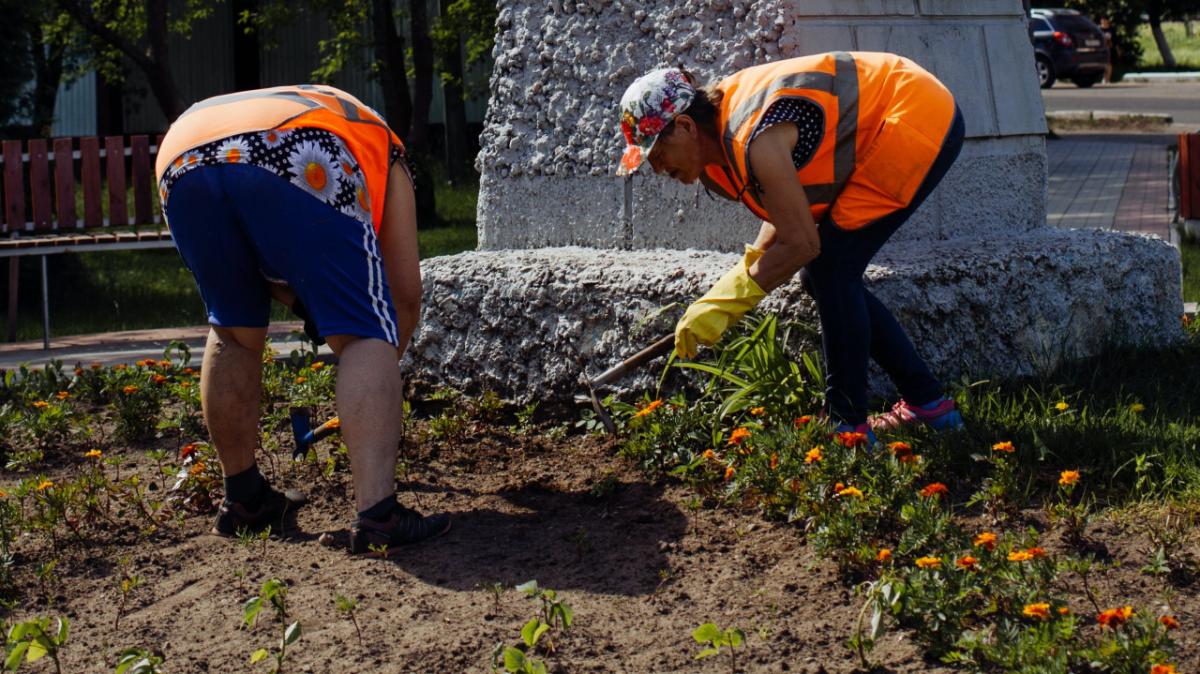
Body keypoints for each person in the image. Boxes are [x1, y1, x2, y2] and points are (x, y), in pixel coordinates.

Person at [155, 84, 450, 554]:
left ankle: (245, 499)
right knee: (365, 331)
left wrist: (307, 303)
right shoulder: (388, 148)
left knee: (232, 330)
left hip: (182, 151)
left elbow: (266, 266)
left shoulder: (330, 109)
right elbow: (404, 295)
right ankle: (379, 516)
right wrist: (369, 364)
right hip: (297, 144)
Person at [616, 52, 966, 442]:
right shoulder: (719, 150)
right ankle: (927, 404)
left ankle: (846, 425)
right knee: (824, 276)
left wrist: (731, 302)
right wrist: (736, 280)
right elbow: (784, 217)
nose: (659, 170)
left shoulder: (752, 139)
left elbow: (801, 242)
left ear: (683, 126)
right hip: (893, 117)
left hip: (914, 116)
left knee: (830, 270)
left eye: (657, 155)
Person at [1098, 17, 1116, 84]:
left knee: (1109, 64)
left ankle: (1108, 79)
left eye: (1105, 19)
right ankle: (1103, 78)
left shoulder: (1111, 29)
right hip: (1101, 49)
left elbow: (1115, 39)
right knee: (1103, 64)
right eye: (1102, 19)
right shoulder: (1098, 29)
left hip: (1109, 49)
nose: (1103, 21)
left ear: (1108, 21)